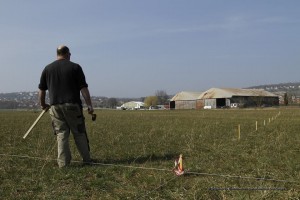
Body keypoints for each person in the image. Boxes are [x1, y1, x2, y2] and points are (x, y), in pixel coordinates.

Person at [38, 45, 94, 168]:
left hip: (55, 107)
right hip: (72, 106)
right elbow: (83, 88)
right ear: (68, 54)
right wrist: (89, 105)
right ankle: (87, 160)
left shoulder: (47, 69)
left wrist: (43, 104)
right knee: (79, 133)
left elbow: (41, 90)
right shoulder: (75, 67)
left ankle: (63, 164)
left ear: (57, 54)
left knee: (61, 134)